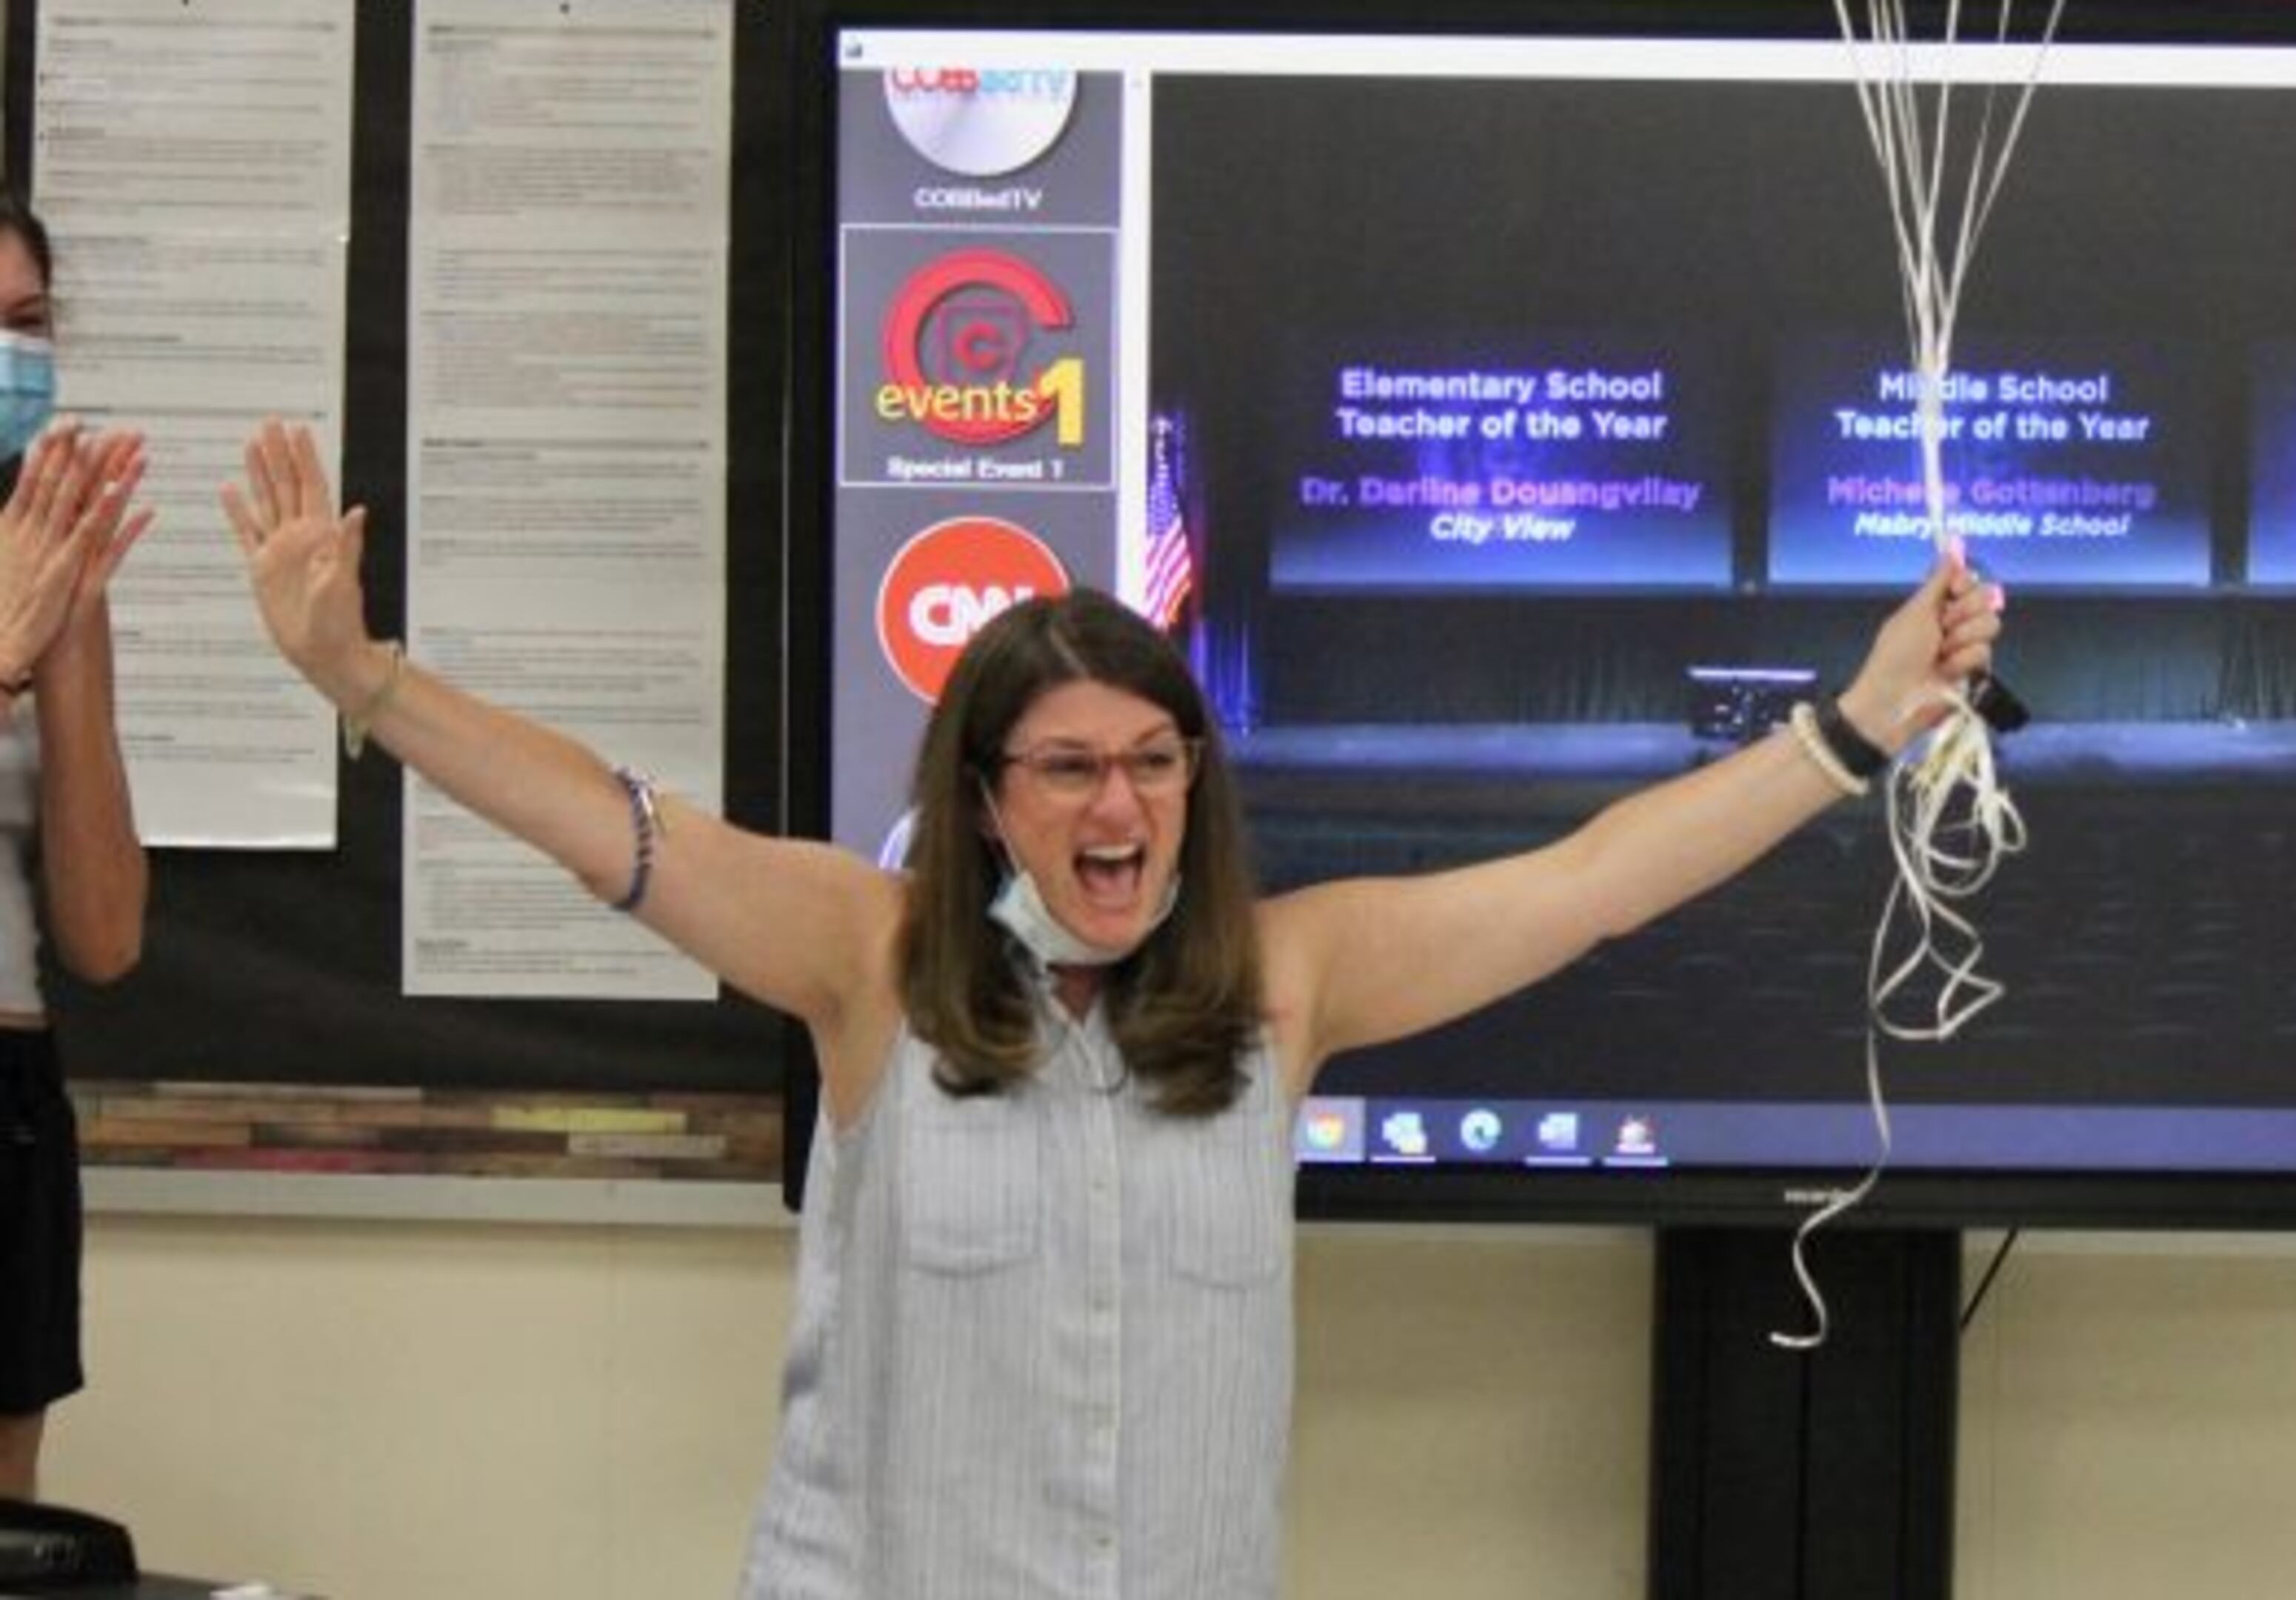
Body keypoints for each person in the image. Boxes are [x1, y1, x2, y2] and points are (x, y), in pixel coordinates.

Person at [219, 416, 2000, 1597]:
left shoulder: (1285, 985)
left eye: (1153, 763)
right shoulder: (869, 960)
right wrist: (365, 678)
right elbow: (613, 828)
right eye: (1068, 770)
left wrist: (1849, 729)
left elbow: (1592, 882)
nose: (1119, 809)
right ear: (986, 794)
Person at [0, 191, 154, 1504]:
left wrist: (70, 646)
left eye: (28, 322)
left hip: (9, 1086)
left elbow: (104, 936)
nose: (12, 357)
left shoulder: (38, 555)